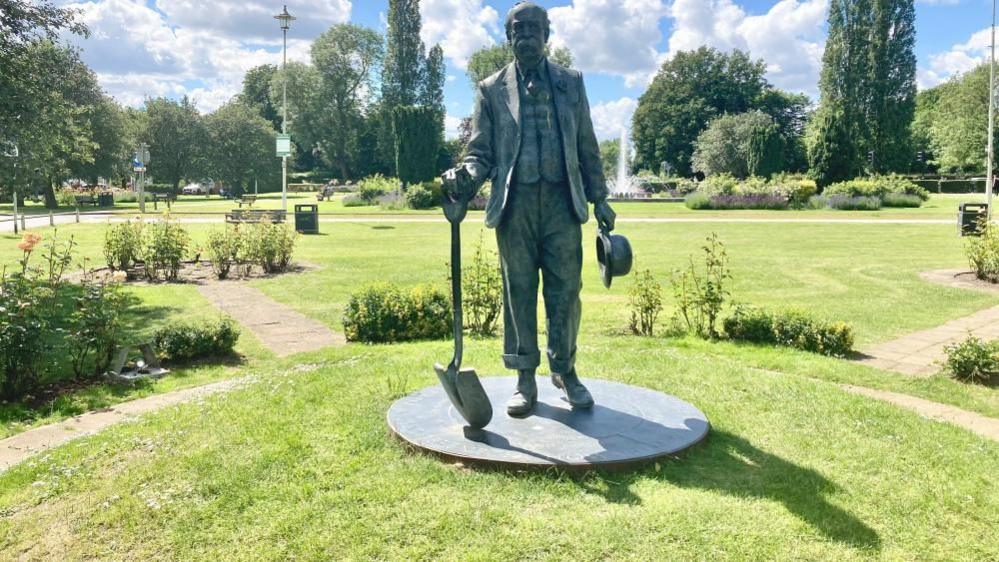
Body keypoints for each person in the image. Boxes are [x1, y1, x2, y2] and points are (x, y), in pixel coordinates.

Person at [442, 1, 616, 417]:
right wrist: (464, 176)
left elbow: (587, 145)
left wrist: (600, 196)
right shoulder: (491, 88)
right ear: (509, 36)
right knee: (518, 290)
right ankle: (523, 378)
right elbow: (480, 151)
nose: (527, 35)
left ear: (547, 34)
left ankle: (566, 371)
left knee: (566, 292)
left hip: (561, 202)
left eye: (535, 28)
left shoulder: (570, 83)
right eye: (519, 28)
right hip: (516, 204)